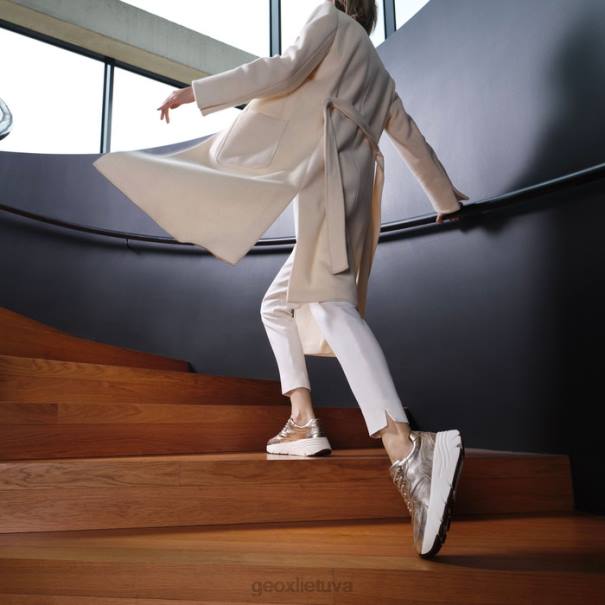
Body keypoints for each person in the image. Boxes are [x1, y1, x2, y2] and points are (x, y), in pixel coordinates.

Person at [154, 0, 466, 559]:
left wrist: (195, 93)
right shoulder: (378, 68)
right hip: (354, 194)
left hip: (327, 184)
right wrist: (445, 199)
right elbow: (409, 136)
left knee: (327, 304)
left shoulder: (329, 19)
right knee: (278, 305)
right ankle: (301, 421)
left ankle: (406, 448)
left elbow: (283, 68)